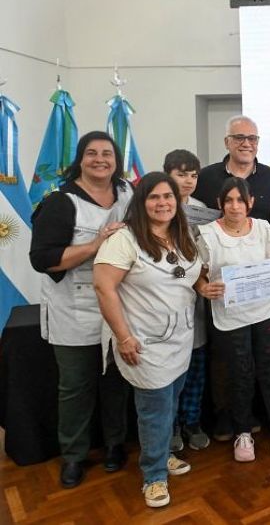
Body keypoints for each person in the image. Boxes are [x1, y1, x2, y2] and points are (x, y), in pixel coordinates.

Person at [29, 131, 132, 489]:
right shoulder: (60, 202)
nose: (100, 159)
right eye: (92, 153)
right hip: (74, 310)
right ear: (80, 159)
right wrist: (94, 244)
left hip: (118, 305)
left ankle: (116, 444)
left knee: (117, 382)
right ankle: (73, 455)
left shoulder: (127, 195)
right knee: (76, 386)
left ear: (117, 159)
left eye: (107, 153)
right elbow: (43, 260)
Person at [94, 172, 201, 508]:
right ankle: (153, 476)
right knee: (154, 409)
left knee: (170, 402)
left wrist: (204, 286)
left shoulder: (181, 235)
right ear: (141, 202)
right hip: (144, 342)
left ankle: (163, 454)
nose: (162, 203)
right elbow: (103, 286)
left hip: (181, 338)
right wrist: (123, 337)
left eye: (168, 197)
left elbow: (186, 276)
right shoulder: (124, 238)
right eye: (154, 197)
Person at [195, 178, 270, 465]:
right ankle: (242, 432)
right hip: (229, 316)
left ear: (250, 203)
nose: (235, 206)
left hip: (263, 311)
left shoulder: (262, 228)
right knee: (240, 374)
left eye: (240, 200)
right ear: (220, 203)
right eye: (229, 200)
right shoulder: (207, 234)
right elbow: (192, 272)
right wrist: (202, 287)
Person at [162, 150, 211, 452]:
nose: (188, 180)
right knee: (170, 369)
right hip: (165, 300)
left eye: (193, 175)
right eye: (181, 174)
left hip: (198, 298)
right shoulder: (154, 208)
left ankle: (191, 421)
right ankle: (171, 426)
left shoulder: (202, 209)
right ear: (167, 173)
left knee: (196, 364)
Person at [194, 115, 270, 225]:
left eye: (252, 138)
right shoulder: (205, 177)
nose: (246, 144)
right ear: (227, 142)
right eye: (239, 138)